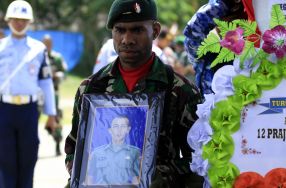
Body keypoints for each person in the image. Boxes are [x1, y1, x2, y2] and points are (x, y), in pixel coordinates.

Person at [64, 0, 203, 187]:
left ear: (154, 30)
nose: (127, 39)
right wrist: (82, 171)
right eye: (120, 30)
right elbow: (74, 148)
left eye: (137, 30)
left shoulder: (179, 90)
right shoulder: (91, 89)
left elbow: (199, 160)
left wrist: (161, 174)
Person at [0, 1, 57, 188]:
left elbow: (46, 83)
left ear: (29, 22)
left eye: (23, 19)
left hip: (29, 111)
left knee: (28, 158)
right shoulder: (0, 48)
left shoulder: (38, 49)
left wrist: (51, 115)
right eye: (15, 19)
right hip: (4, 110)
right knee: (5, 160)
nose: (19, 23)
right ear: (8, 20)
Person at [87, 116, 140, 185]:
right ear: (110, 130)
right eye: (115, 126)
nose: (119, 130)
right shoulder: (97, 153)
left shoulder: (135, 152)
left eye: (123, 126)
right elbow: (89, 178)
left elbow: (136, 179)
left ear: (128, 129)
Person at [42, 34, 68, 156]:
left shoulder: (57, 58)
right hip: (38, 93)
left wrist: (57, 74)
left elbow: (64, 73)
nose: (46, 46)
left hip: (53, 92)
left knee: (56, 117)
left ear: (51, 44)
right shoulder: (37, 56)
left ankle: (57, 144)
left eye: (48, 43)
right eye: (44, 43)